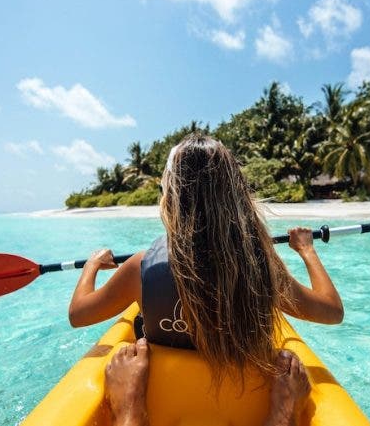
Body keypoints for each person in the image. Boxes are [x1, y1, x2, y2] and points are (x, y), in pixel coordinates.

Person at [68, 134, 344, 426]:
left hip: (166, 397)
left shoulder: (141, 267)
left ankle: (130, 410)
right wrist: (307, 250)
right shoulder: (261, 264)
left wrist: (92, 265)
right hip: (245, 405)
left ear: (171, 196)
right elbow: (331, 311)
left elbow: (79, 314)